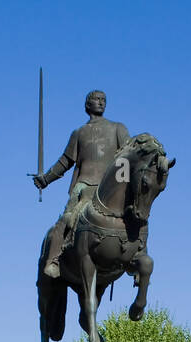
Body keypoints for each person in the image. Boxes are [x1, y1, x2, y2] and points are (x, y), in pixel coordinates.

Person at [32, 90, 131, 278]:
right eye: (96, 99)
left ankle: (138, 253)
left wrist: (123, 183)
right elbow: (65, 162)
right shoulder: (79, 133)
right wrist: (46, 179)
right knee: (67, 219)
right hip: (84, 187)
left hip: (109, 189)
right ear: (87, 105)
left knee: (134, 216)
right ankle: (54, 259)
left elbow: (128, 156)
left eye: (104, 100)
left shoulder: (118, 128)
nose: (101, 102)